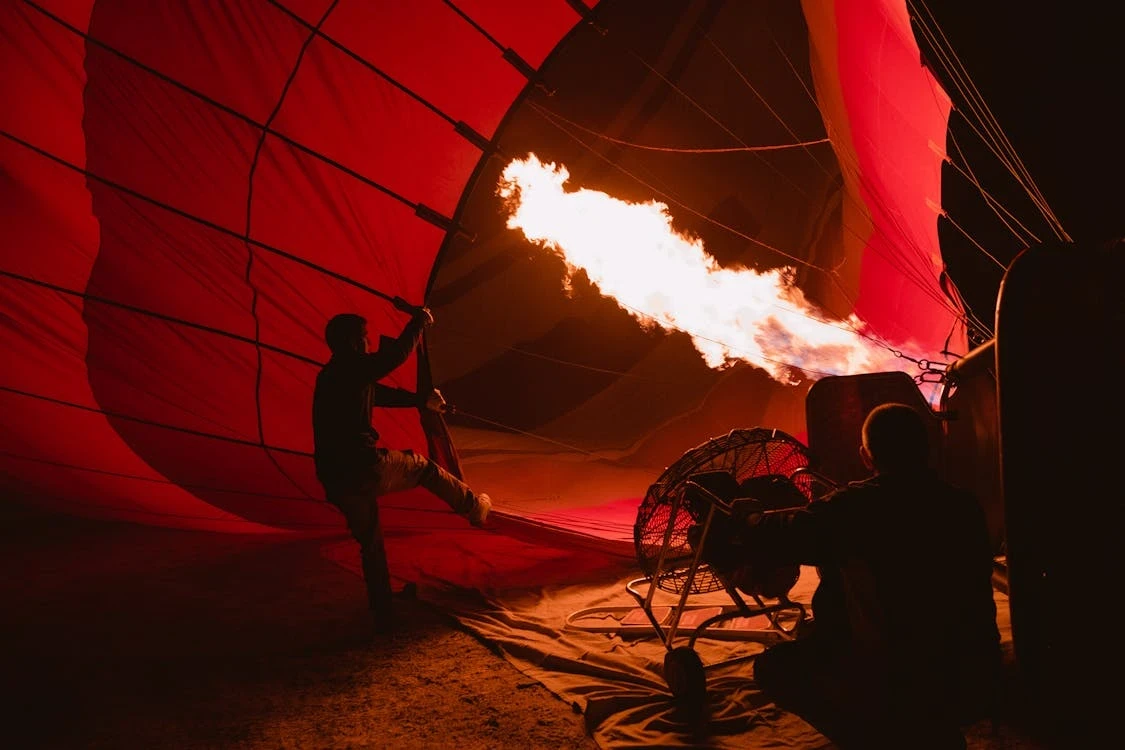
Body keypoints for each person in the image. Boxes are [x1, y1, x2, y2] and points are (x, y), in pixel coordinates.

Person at [694, 402, 1000, 749]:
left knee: (775, 669)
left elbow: (784, 533)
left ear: (866, 457)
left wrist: (748, 518)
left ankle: (885, 736)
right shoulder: (964, 505)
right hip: (976, 677)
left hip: (905, 684)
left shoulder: (856, 507)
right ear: (926, 448)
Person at [313, 305, 492, 634]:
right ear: (354, 342)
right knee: (422, 467)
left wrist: (420, 400)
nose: (369, 343)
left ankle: (383, 610)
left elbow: (380, 394)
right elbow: (393, 358)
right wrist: (419, 321)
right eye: (365, 338)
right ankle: (473, 506)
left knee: (371, 542)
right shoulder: (353, 368)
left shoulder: (335, 375)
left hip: (335, 479)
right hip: (363, 469)